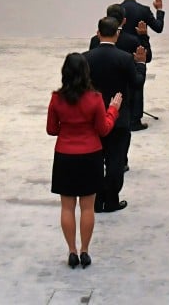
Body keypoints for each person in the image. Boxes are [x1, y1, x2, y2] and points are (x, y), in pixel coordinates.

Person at [47, 53, 122, 268]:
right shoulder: (95, 98)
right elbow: (103, 129)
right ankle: (85, 250)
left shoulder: (56, 98)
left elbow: (51, 129)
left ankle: (71, 251)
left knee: (67, 208)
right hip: (90, 155)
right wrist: (113, 110)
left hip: (65, 156)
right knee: (87, 208)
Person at [84, 17, 146, 213]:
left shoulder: (86, 58)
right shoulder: (125, 58)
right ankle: (111, 200)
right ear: (117, 34)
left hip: (93, 117)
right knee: (116, 161)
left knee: (95, 160)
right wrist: (141, 64)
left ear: (98, 33)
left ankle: (95, 201)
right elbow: (136, 83)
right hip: (118, 116)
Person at [89, 3, 151, 131]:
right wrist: (144, 38)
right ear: (124, 21)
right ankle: (135, 120)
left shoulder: (93, 42)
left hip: (97, 99)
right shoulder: (132, 41)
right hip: (123, 100)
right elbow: (147, 58)